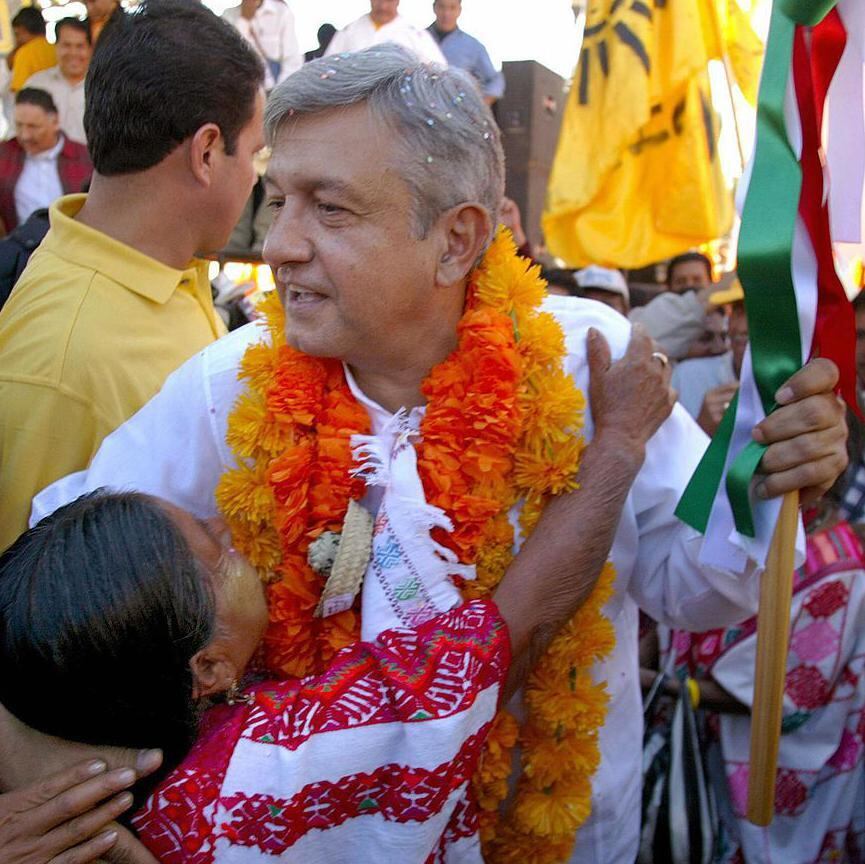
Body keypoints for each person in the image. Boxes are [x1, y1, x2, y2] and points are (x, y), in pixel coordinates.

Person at [28, 46, 848, 864]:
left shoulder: (586, 359)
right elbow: (64, 573)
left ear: (456, 241)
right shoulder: (228, 384)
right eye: (279, 201)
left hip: (554, 837)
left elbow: (694, 584)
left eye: (330, 209)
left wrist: (770, 481)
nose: (278, 245)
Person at [0, 328, 675, 861]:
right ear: (205, 669)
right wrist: (617, 442)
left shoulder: (59, 744)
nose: (227, 525)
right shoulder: (274, 769)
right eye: (219, 552)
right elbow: (513, 629)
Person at [0, 0, 265, 553]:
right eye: (256, 154)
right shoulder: (60, 361)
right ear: (208, 153)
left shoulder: (167, 269)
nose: (254, 177)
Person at [0, 88, 91, 232]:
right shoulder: (4, 154)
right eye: (19, 125)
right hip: (19, 248)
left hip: (71, 245)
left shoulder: (85, 157)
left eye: (33, 127)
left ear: (55, 122)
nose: (25, 136)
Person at [672, 281, 748, 435]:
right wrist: (701, 429)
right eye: (738, 312)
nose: (741, 328)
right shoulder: (687, 377)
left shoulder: (796, 385)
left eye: (757, 314)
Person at [629, 252, 724, 360]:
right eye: (681, 281)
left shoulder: (728, 321)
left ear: (710, 282)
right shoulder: (646, 317)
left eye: (697, 280)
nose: (689, 285)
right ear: (668, 287)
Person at [24, 18, 91, 145]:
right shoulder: (36, 85)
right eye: (67, 45)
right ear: (56, 47)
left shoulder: (104, 87)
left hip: (93, 164)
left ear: (90, 49)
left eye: (80, 46)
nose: (73, 53)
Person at [428, 0, 504, 105]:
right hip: (419, 113)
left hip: (456, 113)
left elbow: (495, 80)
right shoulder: (416, 39)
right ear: (434, 8)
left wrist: (481, 106)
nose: (446, 13)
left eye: (452, 8)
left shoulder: (472, 46)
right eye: (442, 7)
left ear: (459, 10)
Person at [326, 0, 446, 66]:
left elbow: (439, 71)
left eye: (389, 0)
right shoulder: (349, 32)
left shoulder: (417, 36)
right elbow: (327, 67)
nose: (383, 6)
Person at [224, 0, 302, 93]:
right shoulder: (228, 16)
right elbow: (234, 54)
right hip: (246, 92)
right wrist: (244, 19)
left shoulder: (282, 12)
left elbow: (292, 60)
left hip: (278, 90)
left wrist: (279, 93)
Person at [7, 7, 55, 95]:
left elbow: (19, 92)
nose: (16, 40)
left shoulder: (24, 53)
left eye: (17, 34)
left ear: (23, 30)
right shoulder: (57, 49)